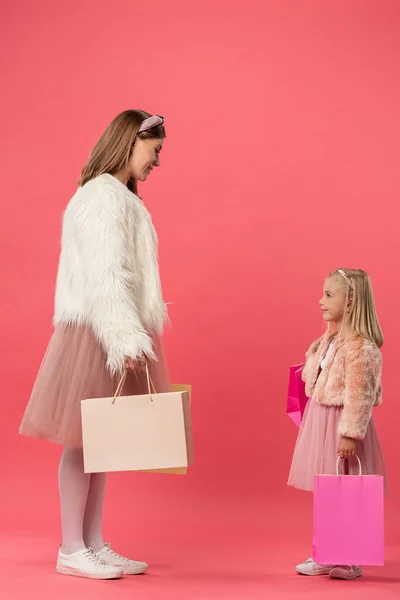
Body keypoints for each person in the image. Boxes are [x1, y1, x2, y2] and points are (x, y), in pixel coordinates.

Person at [19, 110, 170, 579]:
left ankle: (93, 542)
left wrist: (132, 332)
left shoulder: (123, 199)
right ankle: (71, 547)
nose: (158, 162)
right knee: (84, 439)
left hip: (118, 327)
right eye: (155, 150)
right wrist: (125, 338)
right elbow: (105, 278)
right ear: (131, 141)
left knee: (102, 441)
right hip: (100, 330)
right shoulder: (101, 197)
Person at [288, 268, 387, 581]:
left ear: (350, 303)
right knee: (328, 489)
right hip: (322, 419)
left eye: (329, 295)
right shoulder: (327, 340)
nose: (320, 301)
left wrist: (350, 434)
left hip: (343, 424)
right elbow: (313, 378)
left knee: (346, 487)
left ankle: (351, 556)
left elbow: (360, 395)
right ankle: (327, 552)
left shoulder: (361, 348)